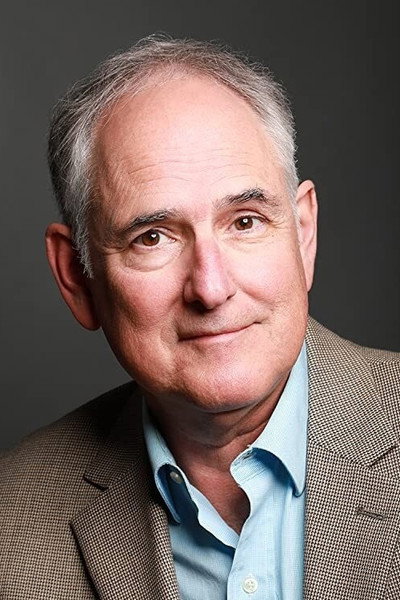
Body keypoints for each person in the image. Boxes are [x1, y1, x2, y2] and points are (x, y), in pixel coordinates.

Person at [1, 35, 399, 600]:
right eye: (152, 237)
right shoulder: (12, 521)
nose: (211, 288)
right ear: (77, 277)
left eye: (245, 221)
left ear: (303, 235)